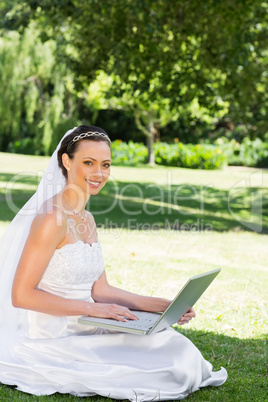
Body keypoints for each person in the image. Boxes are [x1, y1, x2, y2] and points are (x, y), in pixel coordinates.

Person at [0, 125, 227, 400]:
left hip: (89, 324)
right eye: (88, 163)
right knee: (171, 364)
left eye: (105, 165)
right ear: (66, 161)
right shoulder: (51, 218)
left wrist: (164, 305)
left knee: (174, 346)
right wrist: (95, 310)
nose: (99, 173)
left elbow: (101, 290)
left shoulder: (87, 218)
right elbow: (21, 296)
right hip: (55, 337)